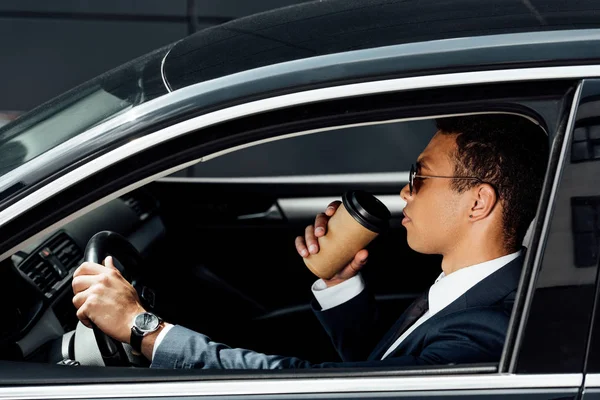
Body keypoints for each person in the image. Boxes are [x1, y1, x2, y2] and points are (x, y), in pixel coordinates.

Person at [72, 114, 549, 368]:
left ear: (478, 202)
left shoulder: (487, 328)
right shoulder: (465, 287)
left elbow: (328, 387)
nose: (405, 191)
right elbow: (385, 369)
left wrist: (147, 330)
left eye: (419, 177)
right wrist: (342, 283)